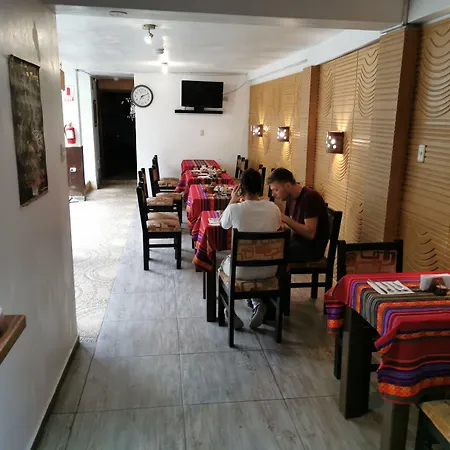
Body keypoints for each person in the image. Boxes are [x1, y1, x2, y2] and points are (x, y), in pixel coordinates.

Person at [220, 168, 281, 330]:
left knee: (221, 266)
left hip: (240, 271)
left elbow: (223, 224)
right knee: (254, 264)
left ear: (241, 188)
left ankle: (230, 311)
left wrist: (233, 200)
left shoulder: (235, 209)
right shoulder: (274, 208)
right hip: (270, 270)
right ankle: (257, 302)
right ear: (261, 187)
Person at [267, 168, 329, 263]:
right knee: (269, 244)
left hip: (311, 249)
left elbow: (310, 234)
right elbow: (289, 225)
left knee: (273, 251)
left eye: (276, 189)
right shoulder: (290, 197)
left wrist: (284, 218)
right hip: (297, 241)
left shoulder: (310, 197)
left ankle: (280, 273)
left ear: (287, 185)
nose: (273, 194)